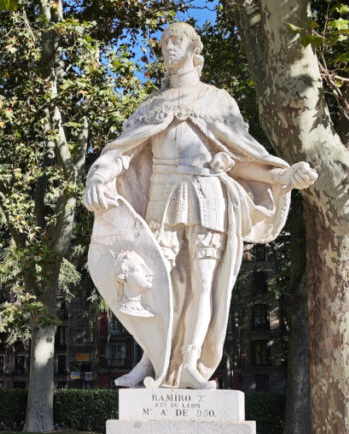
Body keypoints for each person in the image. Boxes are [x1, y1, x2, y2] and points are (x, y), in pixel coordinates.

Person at [84, 22, 316, 389]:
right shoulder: (152, 107)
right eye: (163, 43)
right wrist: (98, 177)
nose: (167, 48)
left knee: (203, 283)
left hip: (208, 195)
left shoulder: (217, 101)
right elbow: (121, 153)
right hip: (161, 195)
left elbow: (240, 156)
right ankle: (152, 361)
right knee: (160, 282)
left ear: (195, 50)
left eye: (175, 41)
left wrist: (282, 177)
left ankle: (191, 363)